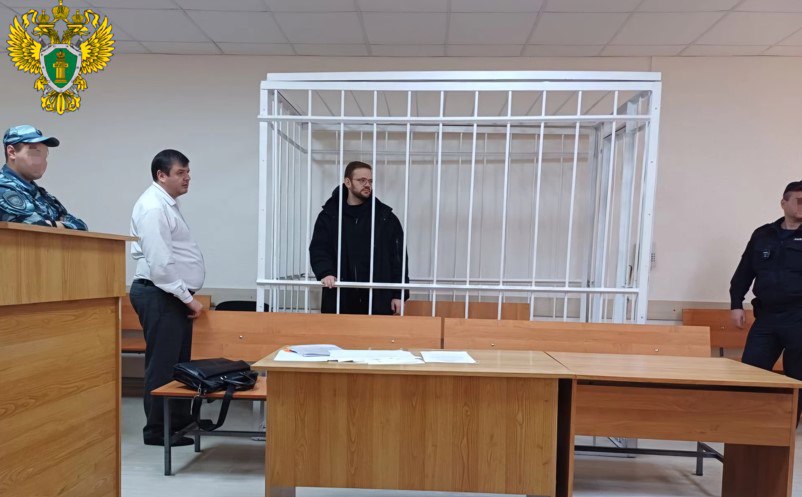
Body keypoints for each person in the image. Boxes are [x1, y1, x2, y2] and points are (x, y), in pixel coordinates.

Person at [129, 149, 205, 446]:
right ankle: (158, 431)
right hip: (160, 293)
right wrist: (188, 299)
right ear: (161, 175)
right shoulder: (153, 207)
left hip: (168, 294)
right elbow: (161, 265)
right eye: (180, 173)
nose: (187, 178)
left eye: (188, 172)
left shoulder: (166, 203)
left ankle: (179, 423)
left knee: (178, 365)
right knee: (163, 366)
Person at [730, 180, 802, 419]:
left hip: (799, 317)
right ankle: (750, 424)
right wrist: (736, 304)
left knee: (797, 377)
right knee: (752, 371)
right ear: (783, 203)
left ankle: (788, 429)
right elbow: (744, 271)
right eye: (799, 201)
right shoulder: (763, 234)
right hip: (767, 317)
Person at [309, 160, 409, 315]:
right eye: (362, 180)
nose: (367, 185)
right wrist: (325, 272)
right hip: (340, 296)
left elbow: (398, 258)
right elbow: (319, 248)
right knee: (338, 331)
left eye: (370, 181)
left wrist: (399, 294)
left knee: (375, 332)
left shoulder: (385, 217)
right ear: (347, 182)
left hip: (377, 299)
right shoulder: (329, 215)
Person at [0, 124, 87, 229]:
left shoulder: (43, 195)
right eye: (35, 154)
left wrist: (50, 224)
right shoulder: (3, 188)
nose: (42, 161)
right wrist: (58, 224)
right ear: (12, 152)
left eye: (45, 156)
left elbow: (81, 226)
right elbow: (33, 226)